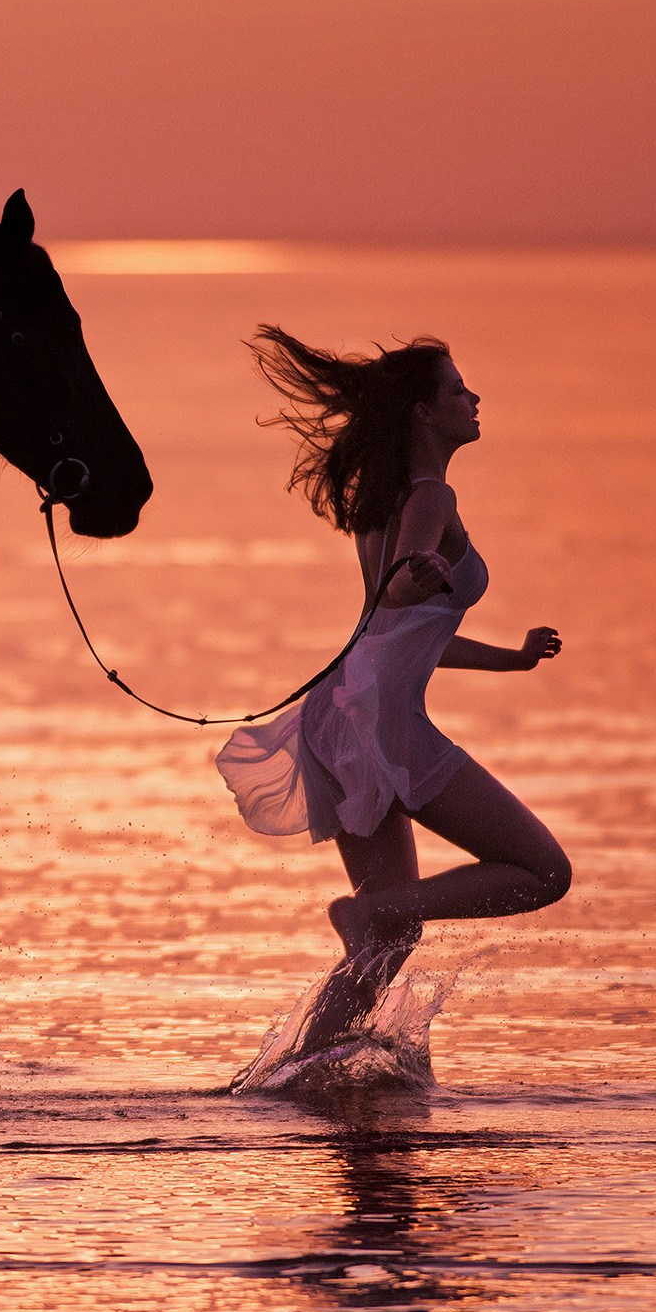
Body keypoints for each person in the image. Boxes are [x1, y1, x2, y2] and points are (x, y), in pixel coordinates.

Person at [216, 328, 571, 1053]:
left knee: (390, 938)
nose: (473, 399)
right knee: (544, 871)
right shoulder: (430, 496)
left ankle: (300, 1073)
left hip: (343, 712)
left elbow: (398, 632)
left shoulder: (385, 501)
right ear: (423, 413)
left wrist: (512, 659)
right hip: (379, 722)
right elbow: (405, 585)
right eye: (456, 391)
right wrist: (416, 575)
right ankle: (373, 917)